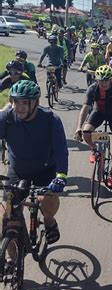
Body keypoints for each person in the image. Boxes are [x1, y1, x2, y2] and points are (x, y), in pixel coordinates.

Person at [0, 80, 68, 244]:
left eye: (25, 102)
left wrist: (61, 176)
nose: (20, 106)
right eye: (16, 101)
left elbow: (61, 151)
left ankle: (49, 221)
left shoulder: (51, 119)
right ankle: (9, 260)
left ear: (36, 103)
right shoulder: (7, 118)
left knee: (46, 201)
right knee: (7, 216)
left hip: (45, 170)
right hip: (17, 170)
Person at [74, 66, 112, 188]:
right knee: (86, 132)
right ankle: (94, 148)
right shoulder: (92, 88)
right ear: (96, 80)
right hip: (99, 112)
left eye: (106, 80)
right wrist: (79, 127)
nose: (103, 83)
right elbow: (85, 108)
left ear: (111, 79)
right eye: (101, 80)